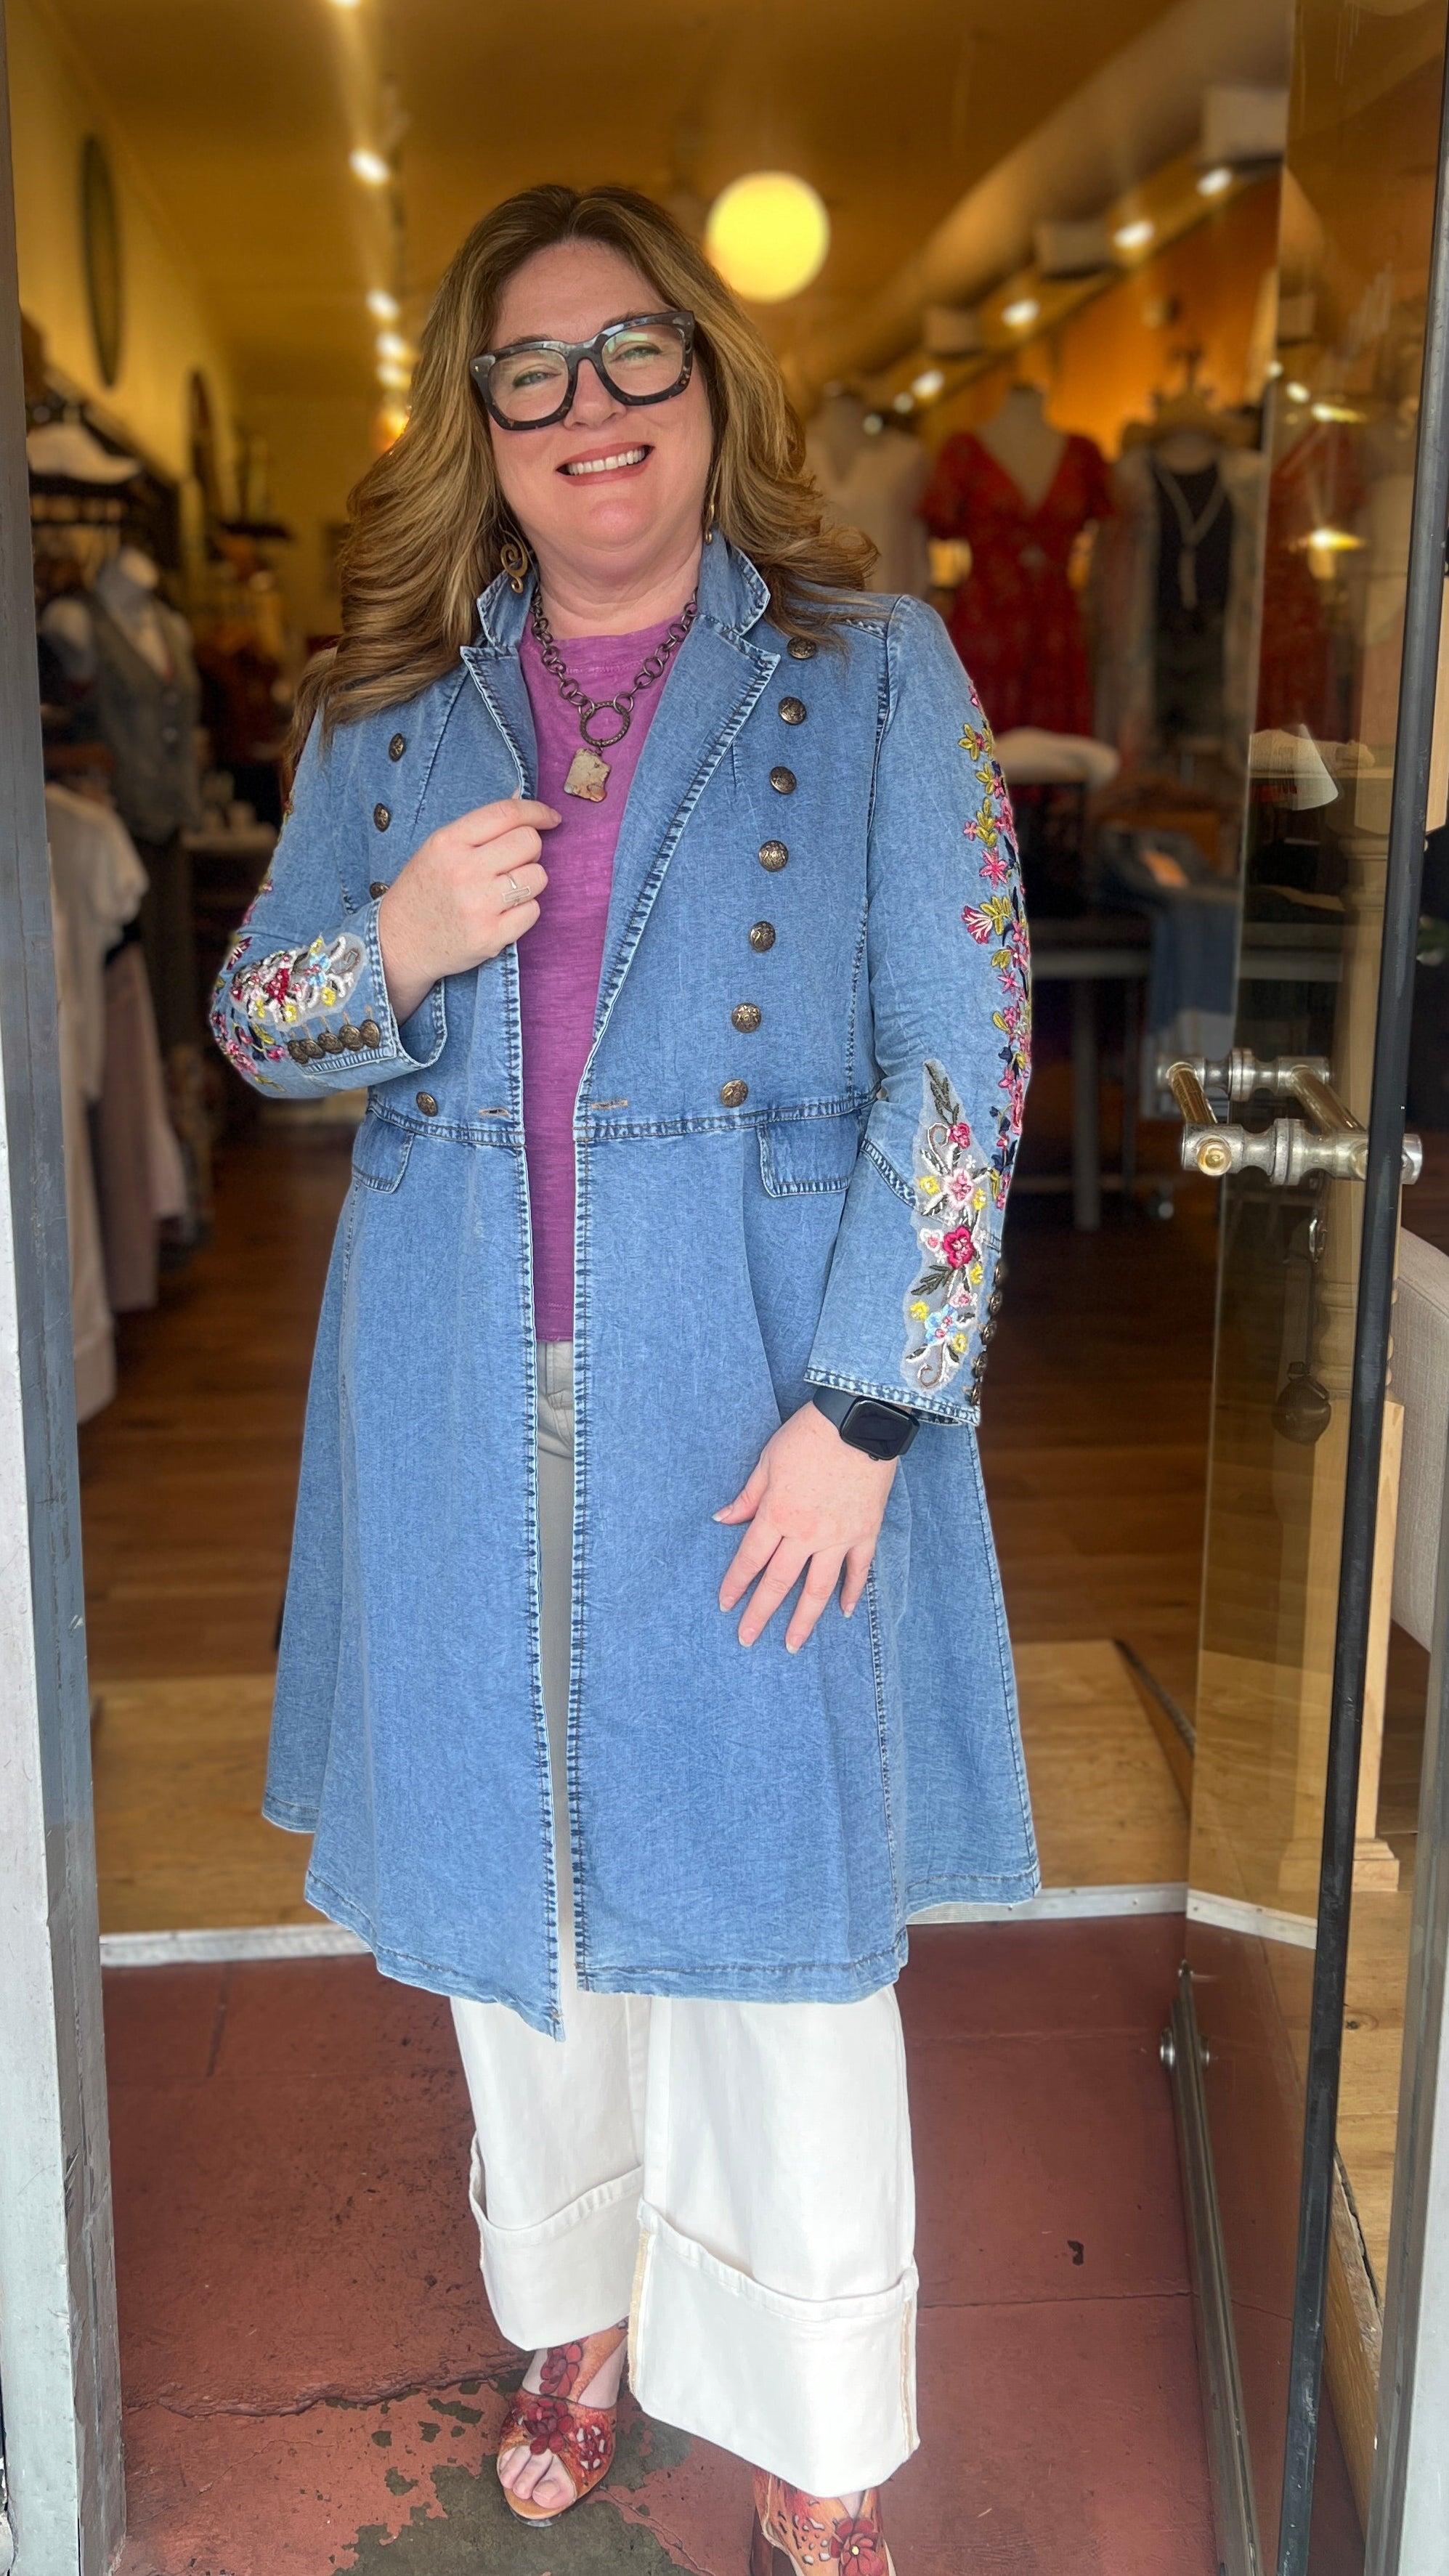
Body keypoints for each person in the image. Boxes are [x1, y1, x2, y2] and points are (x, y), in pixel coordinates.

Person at [210, 182, 1037, 2575]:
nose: (589, 408)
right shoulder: (393, 705)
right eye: (533, 367)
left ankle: (819, 2430)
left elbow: (963, 1055)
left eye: (633, 354)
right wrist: (394, 937)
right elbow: (261, 1023)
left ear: (711, 386)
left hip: (750, 1394)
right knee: (527, 1924)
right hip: (463, 1393)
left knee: (777, 1947)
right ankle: (573, 2312)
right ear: (475, 418)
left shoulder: (869, 668)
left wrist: (870, 1404)